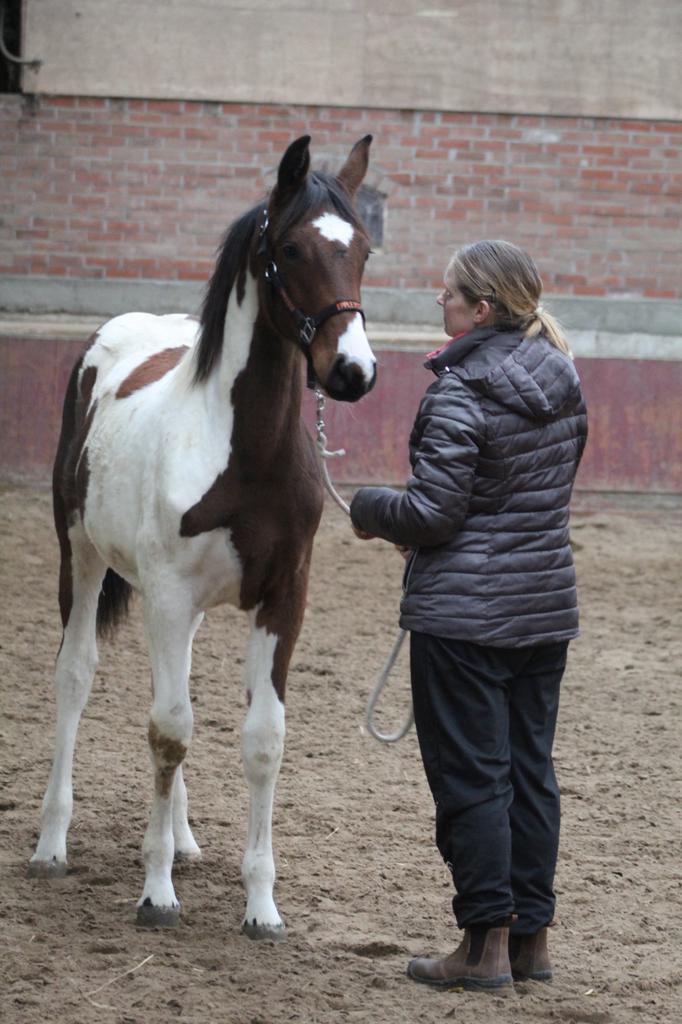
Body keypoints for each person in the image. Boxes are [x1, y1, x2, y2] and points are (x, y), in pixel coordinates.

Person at [350, 240, 588, 990]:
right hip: (543, 609)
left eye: (448, 292)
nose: (438, 300)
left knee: (473, 779)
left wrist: (369, 509)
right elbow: (516, 501)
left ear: (481, 308)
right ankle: (531, 944)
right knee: (529, 773)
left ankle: (482, 947)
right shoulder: (563, 374)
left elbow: (436, 510)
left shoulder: (462, 389)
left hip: (465, 622)